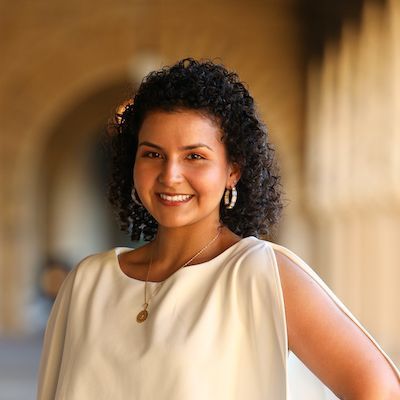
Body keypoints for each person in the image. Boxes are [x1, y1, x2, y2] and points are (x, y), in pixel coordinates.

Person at [37, 58, 400, 399]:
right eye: (152, 153)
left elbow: (379, 390)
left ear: (232, 170)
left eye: (194, 156)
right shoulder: (87, 281)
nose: (170, 175)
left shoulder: (260, 274)